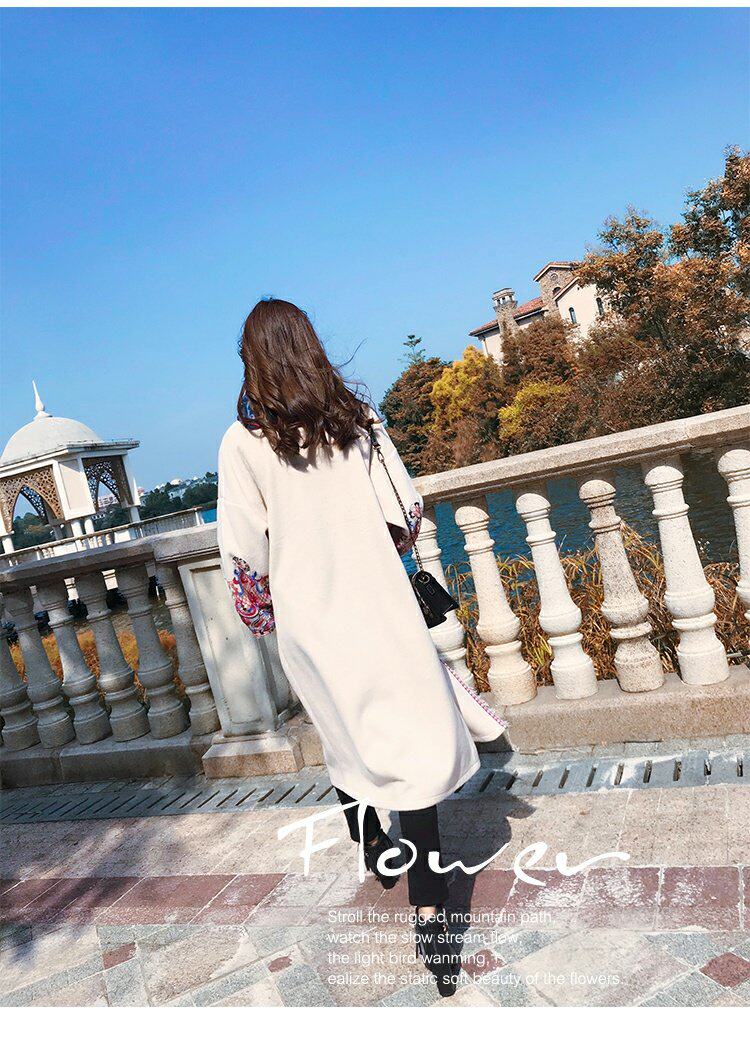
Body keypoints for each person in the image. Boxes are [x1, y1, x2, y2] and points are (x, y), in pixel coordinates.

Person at [217, 298, 481, 996]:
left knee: (342, 727)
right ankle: (431, 912)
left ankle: (370, 841)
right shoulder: (358, 425)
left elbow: (244, 554)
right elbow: (407, 515)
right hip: (380, 607)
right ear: (311, 347)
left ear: (252, 362)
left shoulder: (241, 444)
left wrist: (262, 615)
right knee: (409, 746)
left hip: (311, 618)